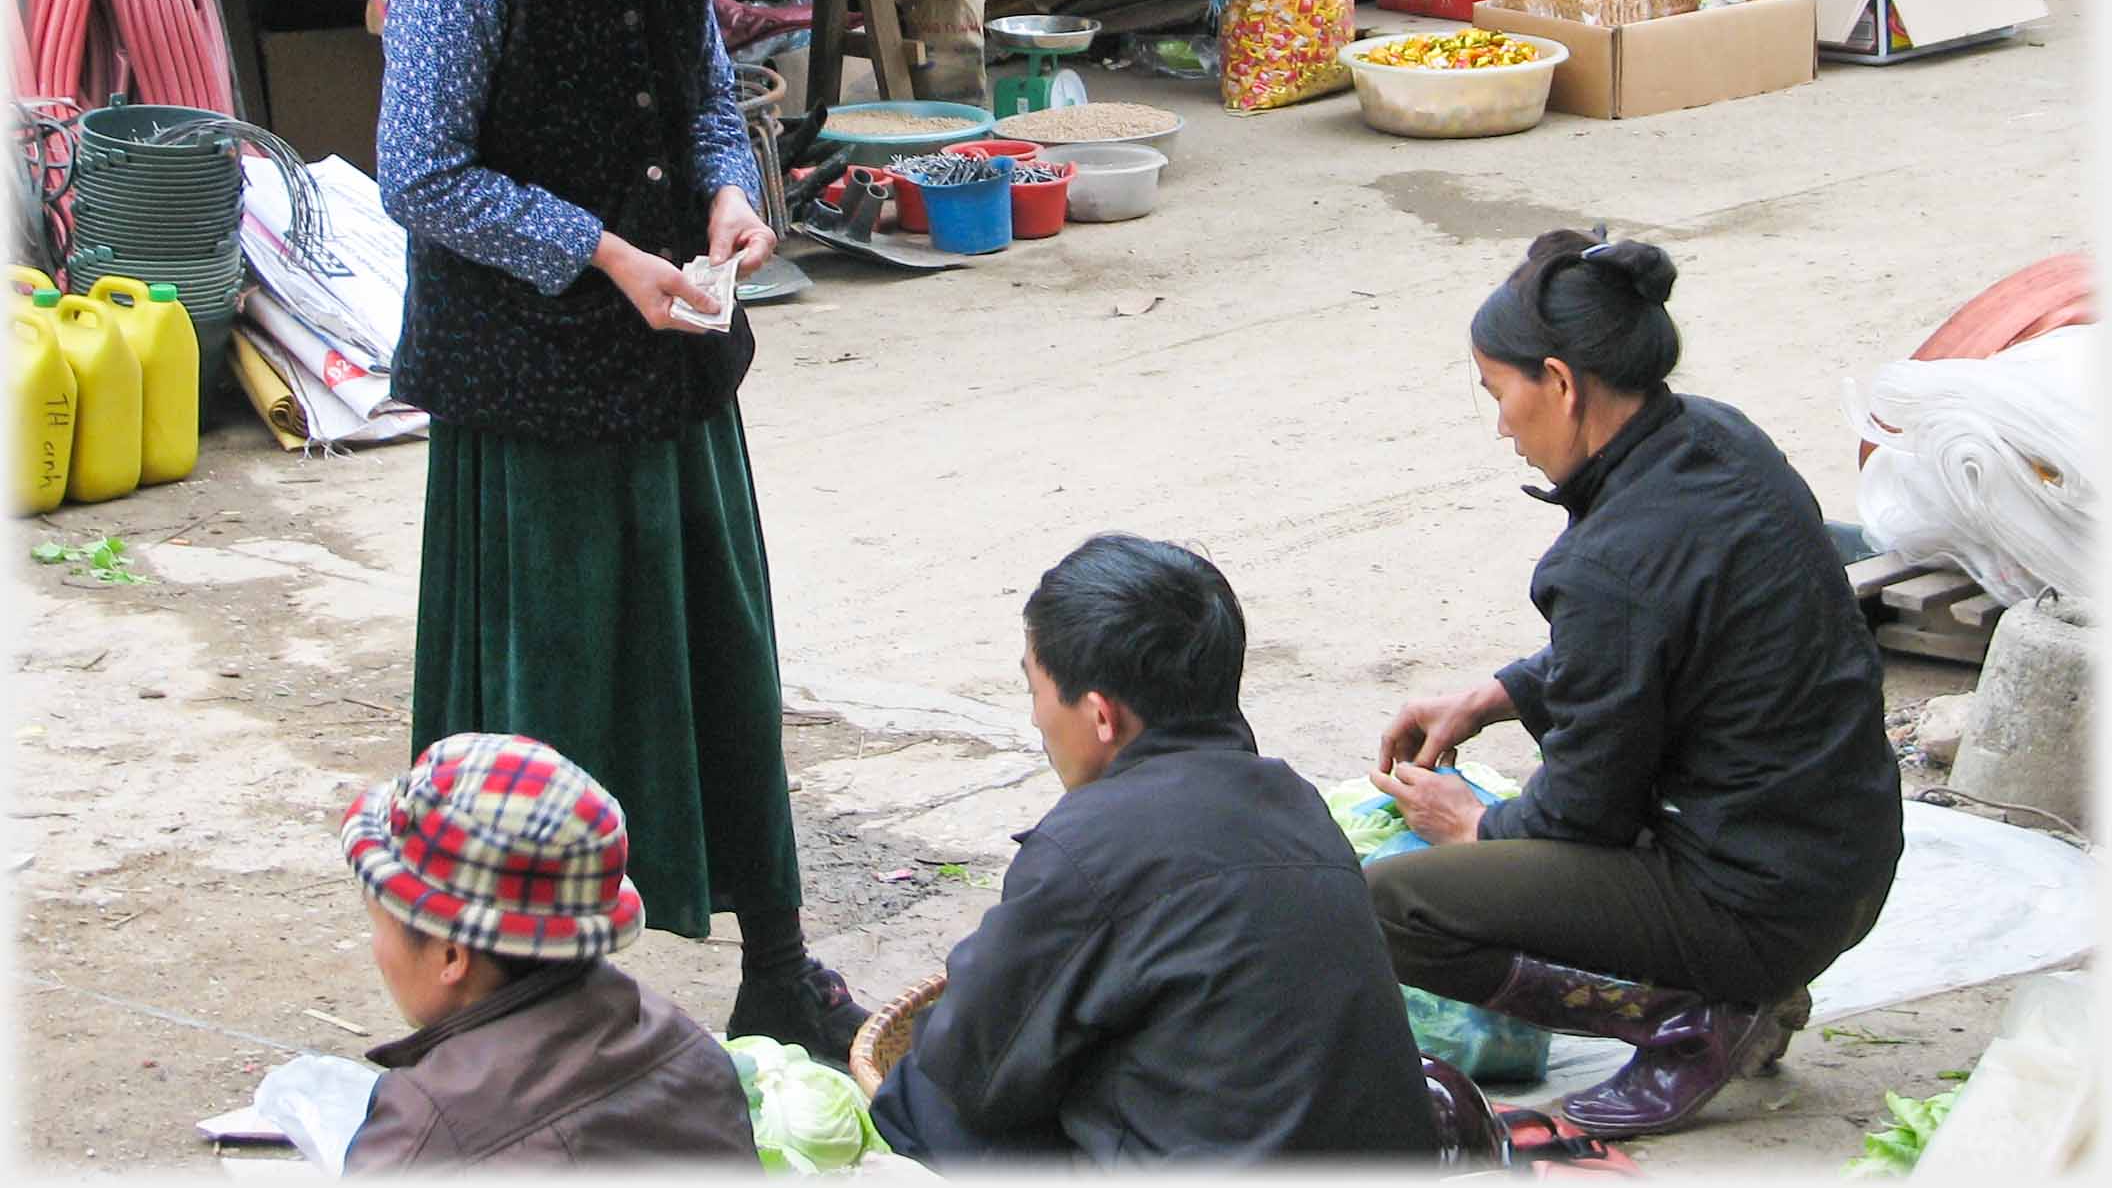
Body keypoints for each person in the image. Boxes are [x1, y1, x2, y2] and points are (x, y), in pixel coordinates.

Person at [362, 0, 867, 1063]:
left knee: (724, 649)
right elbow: (419, 174)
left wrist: (726, 194)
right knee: (549, 687)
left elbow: (706, 88)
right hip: (531, 381)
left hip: (674, 362)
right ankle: (511, 1021)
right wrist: (601, 252)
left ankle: (777, 963)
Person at [1364, 229, 1904, 1139]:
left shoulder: (1608, 562)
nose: (1501, 424)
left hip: (1759, 902)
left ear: (1562, 384)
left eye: (1500, 395)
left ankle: (1694, 1021)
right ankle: (1743, 985)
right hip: (1851, 859)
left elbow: (1581, 815)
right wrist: (1498, 694)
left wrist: (1473, 825)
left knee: (1395, 905)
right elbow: (1680, 640)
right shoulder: (1719, 436)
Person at [870, 535, 1442, 1167]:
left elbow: (970, 1067)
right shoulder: (1298, 803)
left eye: (1036, 690)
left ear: (1100, 716)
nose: (1036, 719)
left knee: (920, 1097)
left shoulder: (1089, 844)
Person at [339, 732, 757, 1170]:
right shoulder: (692, 1053)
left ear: (450, 956)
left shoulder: (428, 1132)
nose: (377, 950)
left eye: (378, 923)